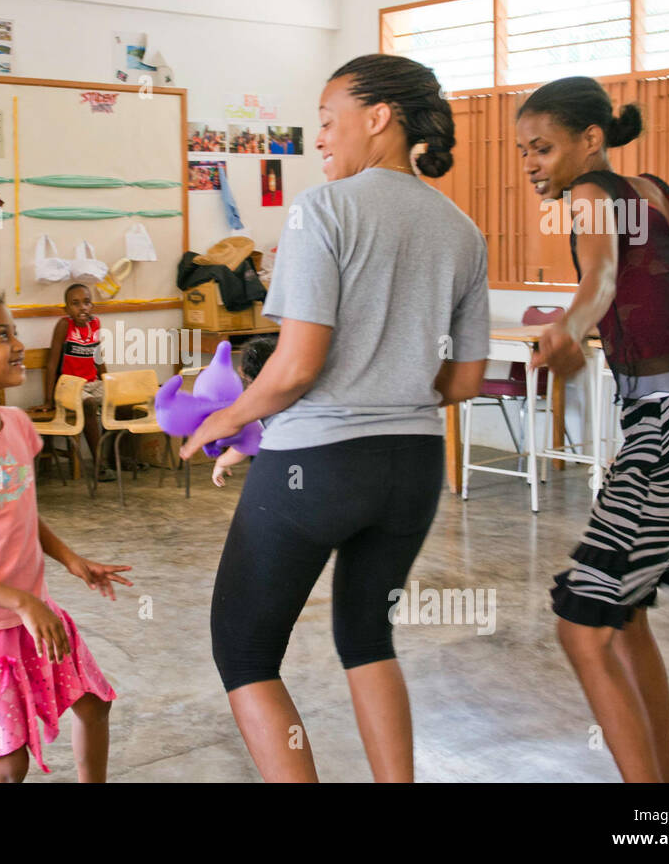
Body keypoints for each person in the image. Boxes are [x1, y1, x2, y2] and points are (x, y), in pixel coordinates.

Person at [182, 53, 490, 783]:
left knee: (246, 652)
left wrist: (225, 419)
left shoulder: (324, 210)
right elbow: (465, 378)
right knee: (365, 636)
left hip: (314, 469)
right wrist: (392, 383)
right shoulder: (462, 230)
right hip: (413, 467)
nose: (317, 139)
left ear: (379, 116)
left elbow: (296, 367)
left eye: (326, 121)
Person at [514, 76, 669, 783]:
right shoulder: (660, 193)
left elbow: (603, 279)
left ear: (591, 141)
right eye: (524, 151)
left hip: (668, 426)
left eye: (543, 148)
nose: (532, 164)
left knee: (583, 620)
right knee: (628, 610)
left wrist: (570, 328)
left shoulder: (591, 195)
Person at [0, 290, 132, 782]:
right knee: (9, 762)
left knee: (95, 705)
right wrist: (21, 604)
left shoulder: (15, 424)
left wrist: (70, 560)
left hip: (34, 612)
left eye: (14, 331)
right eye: (2, 335)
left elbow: (18, 513)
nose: (18, 344)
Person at [38, 283, 132, 481]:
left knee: (124, 400)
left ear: (92, 306)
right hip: (69, 386)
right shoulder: (64, 325)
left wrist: (109, 382)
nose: (82, 307)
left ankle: (118, 457)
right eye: (75, 303)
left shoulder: (95, 323)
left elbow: (98, 358)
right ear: (67, 309)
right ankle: (99, 464)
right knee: (88, 404)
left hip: (92, 383)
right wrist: (48, 400)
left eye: (86, 302)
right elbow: (52, 363)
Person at [211, 337, 275, 488]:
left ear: (244, 372)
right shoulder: (295, 391)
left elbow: (249, 440)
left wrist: (222, 462)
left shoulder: (256, 401)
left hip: (274, 466)